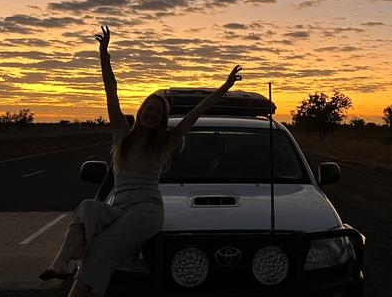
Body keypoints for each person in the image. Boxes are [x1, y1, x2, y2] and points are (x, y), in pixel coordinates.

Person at [39, 25, 242, 297]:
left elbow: (196, 112)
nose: (152, 114)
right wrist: (104, 55)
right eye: (149, 108)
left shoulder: (166, 142)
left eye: (158, 112)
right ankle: (61, 262)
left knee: (100, 249)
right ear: (141, 110)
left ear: (162, 118)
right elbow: (111, 92)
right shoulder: (122, 135)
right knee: (87, 208)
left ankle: (74, 283)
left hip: (146, 210)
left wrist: (225, 86)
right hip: (119, 207)